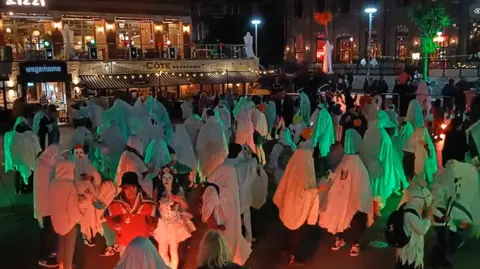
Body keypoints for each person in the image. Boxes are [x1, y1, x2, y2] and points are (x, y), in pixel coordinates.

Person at [273, 128, 324, 265]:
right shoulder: (306, 162)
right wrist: (319, 189)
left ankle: (287, 251)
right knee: (296, 233)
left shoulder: (295, 159)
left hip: (289, 201)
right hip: (298, 206)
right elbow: (306, 191)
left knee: (289, 231)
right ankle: (292, 254)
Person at [319, 129, 374, 257]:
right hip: (349, 203)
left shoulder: (348, 163)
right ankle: (349, 241)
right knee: (348, 218)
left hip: (350, 203)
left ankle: (349, 241)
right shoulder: (355, 164)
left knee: (350, 219)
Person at [201, 143, 252, 265]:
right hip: (225, 215)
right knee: (226, 242)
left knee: (228, 241)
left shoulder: (223, 168)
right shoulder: (233, 169)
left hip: (229, 213)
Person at [104, 172, 160, 256]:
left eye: (133, 187)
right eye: (127, 188)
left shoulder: (146, 203)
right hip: (124, 242)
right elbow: (109, 218)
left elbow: (155, 219)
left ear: (137, 187)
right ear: (123, 189)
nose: (130, 191)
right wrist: (114, 225)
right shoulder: (117, 203)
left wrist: (151, 227)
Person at [153, 167, 195, 269]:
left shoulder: (178, 190)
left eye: (169, 177)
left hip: (174, 224)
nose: (166, 180)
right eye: (164, 177)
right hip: (161, 224)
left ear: (173, 179)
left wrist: (179, 200)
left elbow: (186, 206)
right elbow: (154, 204)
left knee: (173, 250)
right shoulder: (158, 190)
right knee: (161, 251)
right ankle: (166, 265)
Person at [49, 161, 88, 269]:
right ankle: (67, 266)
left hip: (57, 221)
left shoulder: (53, 183)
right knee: (70, 247)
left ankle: (60, 263)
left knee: (61, 243)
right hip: (68, 222)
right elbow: (72, 208)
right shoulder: (69, 186)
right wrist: (80, 216)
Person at [35, 145, 62, 268]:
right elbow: (50, 188)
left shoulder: (42, 166)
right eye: (56, 157)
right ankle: (44, 257)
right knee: (48, 232)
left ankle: (49, 253)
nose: (57, 159)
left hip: (44, 205)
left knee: (49, 231)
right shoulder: (45, 169)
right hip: (47, 206)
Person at [396, 186, 433, 269]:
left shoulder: (407, 207)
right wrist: (428, 217)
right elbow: (423, 230)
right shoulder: (410, 213)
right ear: (418, 199)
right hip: (409, 255)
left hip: (406, 252)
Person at [4, 117, 42, 194]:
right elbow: (36, 147)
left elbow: (9, 149)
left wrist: (11, 160)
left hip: (17, 160)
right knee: (28, 172)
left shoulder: (11, 135)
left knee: (18, 173)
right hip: (28, 158)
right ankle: (26, 188)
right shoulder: (30, 135)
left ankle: (18, 189)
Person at [197, 109, 229, 179]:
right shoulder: (219, 124)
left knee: (210, 172)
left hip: (210, 153)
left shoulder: (206, 126)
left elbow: (201, 142)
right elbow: (225, 137)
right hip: (220, 151)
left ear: (207, 116)